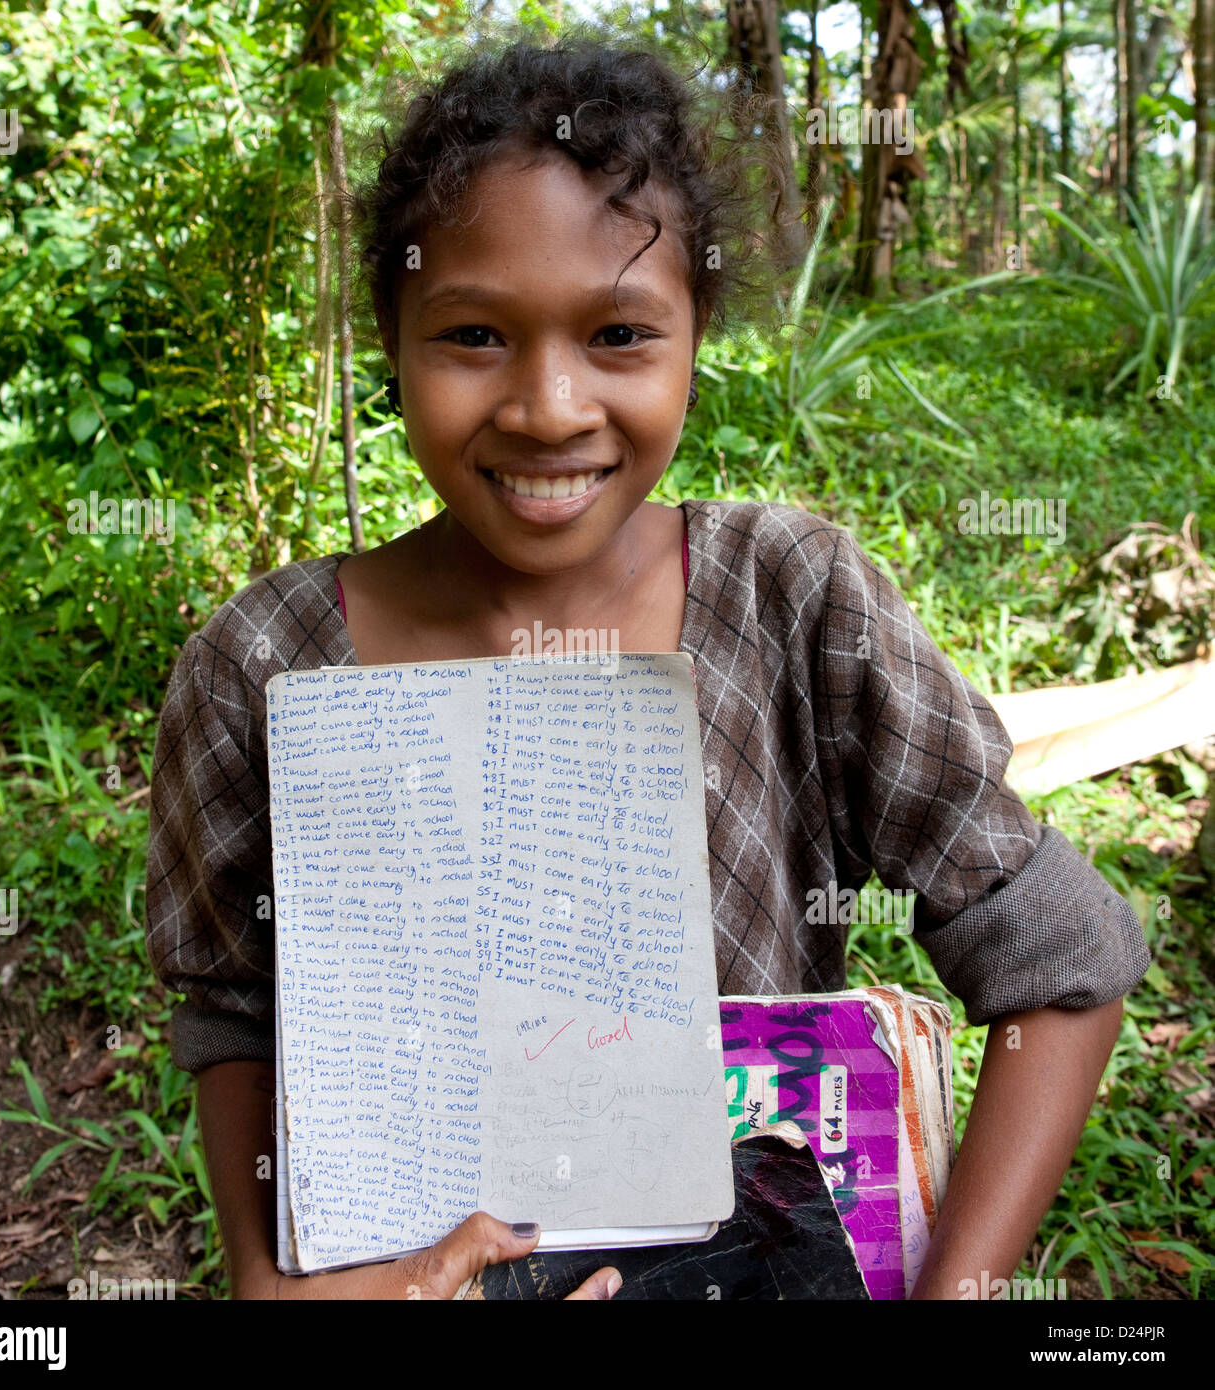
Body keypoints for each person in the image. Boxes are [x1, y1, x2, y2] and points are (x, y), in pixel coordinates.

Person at [144, 35, 1149, 1300]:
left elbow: (1061, 963)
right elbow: (236, 1008)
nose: (549, 405)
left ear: (696, 335)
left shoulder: (791, 602)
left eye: (619, 332)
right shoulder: (262, 667)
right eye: (472, 335)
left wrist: (957, 1290)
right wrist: (266, 1278)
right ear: (391, 341)